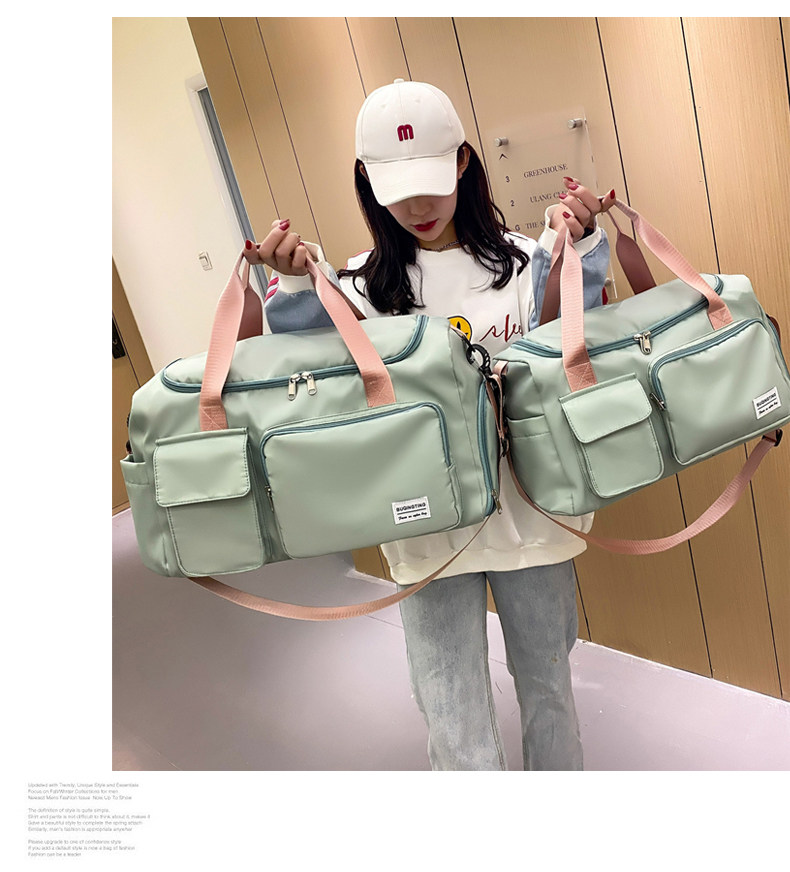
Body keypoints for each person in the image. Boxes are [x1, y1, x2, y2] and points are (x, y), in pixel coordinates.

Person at [251, 79, 614, 770]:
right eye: (397, 189)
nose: (418, 207)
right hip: (423, 528)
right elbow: (312, 382)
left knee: (549, 689)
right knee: (452, 714)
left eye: (431, 183)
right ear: (366, 180)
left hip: (530, 515)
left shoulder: (525, 262)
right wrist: (296, 285)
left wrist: (585, 244)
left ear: (464, 162)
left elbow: (576, 346)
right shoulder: (357, 287)